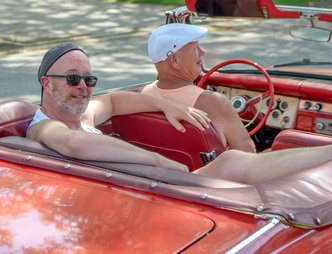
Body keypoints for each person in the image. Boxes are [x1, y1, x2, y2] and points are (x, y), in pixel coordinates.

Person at [26, 42, 332, 185]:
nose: (82, 87)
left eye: (89, 80)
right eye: (72, 78)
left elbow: (116, 101)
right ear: (46, 84)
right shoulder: (42, 127)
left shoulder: (84, 117)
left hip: (141, 185)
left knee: (230, 162)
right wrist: (159, 160)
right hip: (142, 187)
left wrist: (164, 104)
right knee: (232, 161)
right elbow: (73, 144)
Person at [142, 23, 256, 153]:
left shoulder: (141, 96)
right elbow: (248, 155)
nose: (202, 52)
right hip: (212, 173)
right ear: (174, 60)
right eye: (195, 49)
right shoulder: (215, 103)